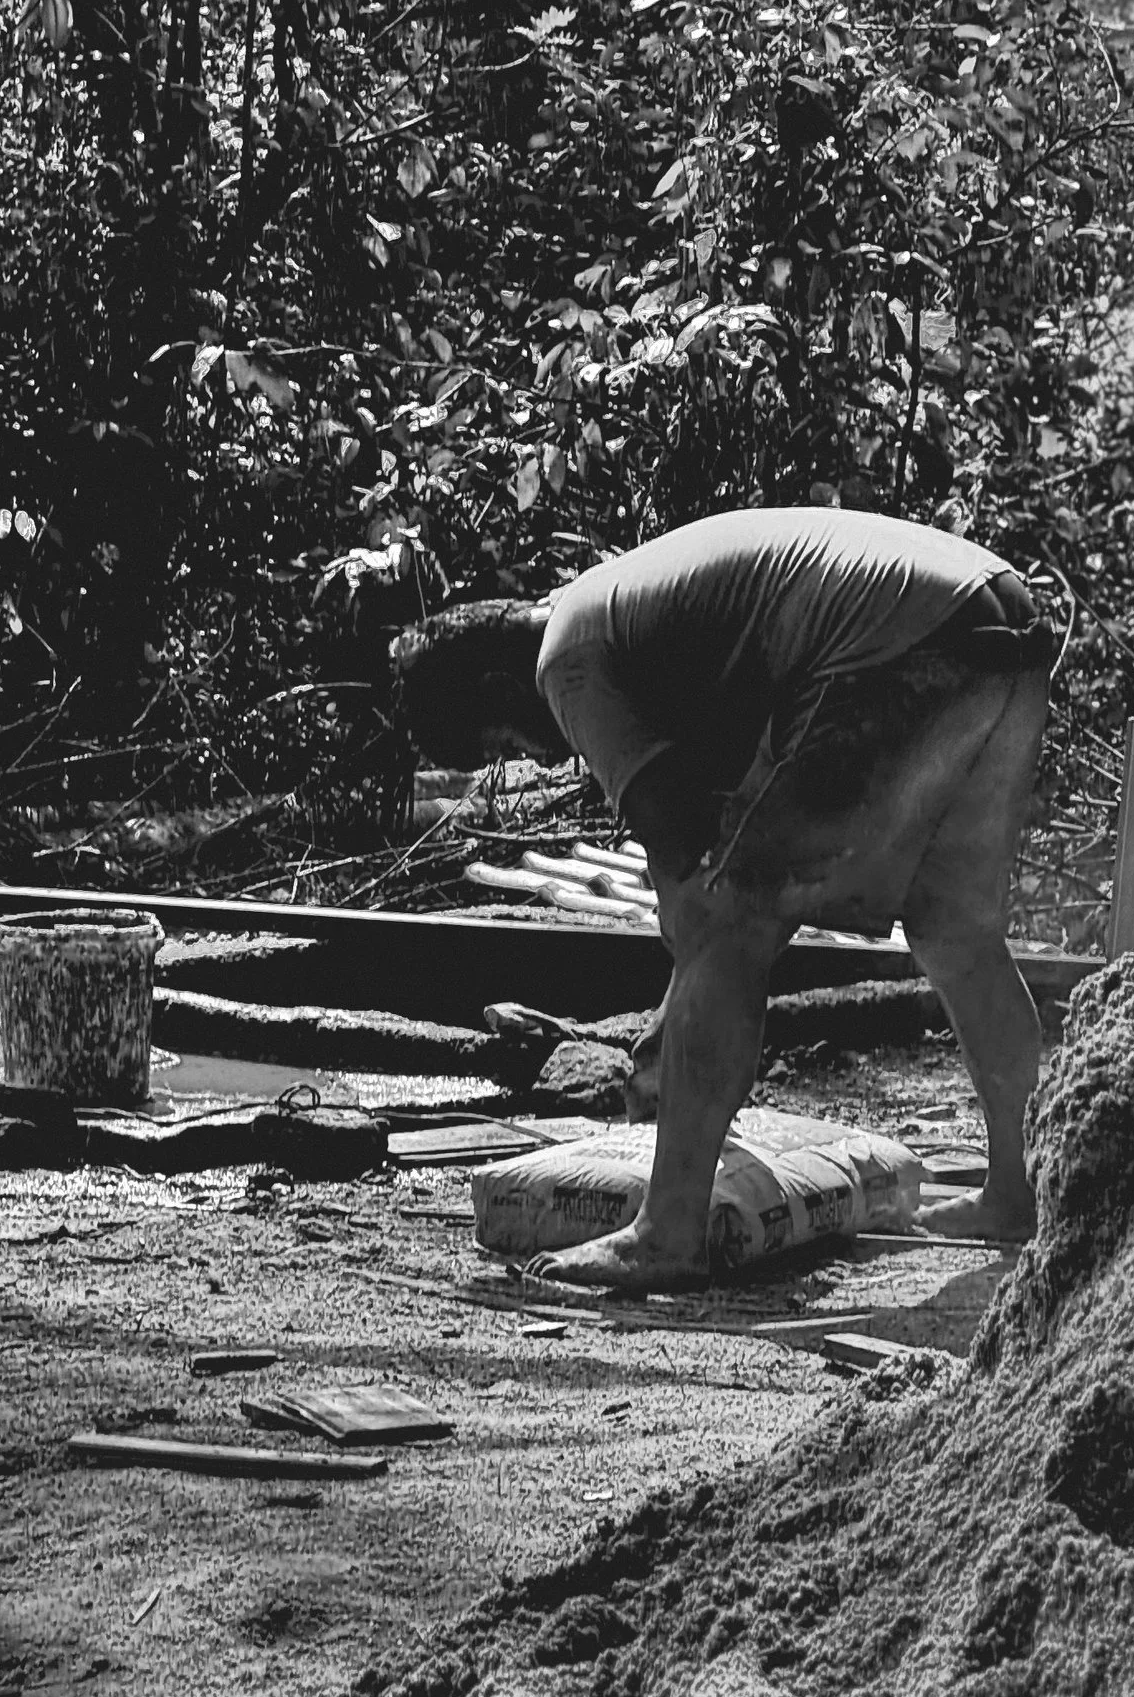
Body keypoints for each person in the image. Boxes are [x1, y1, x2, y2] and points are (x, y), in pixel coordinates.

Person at [394, 506, 1053, 1292]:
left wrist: (673, 1042)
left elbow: (691, 874)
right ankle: (1018, 1192)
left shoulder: (566, 659)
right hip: (1001, 621)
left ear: (498, 686)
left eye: (503, 744)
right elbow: (727, 828)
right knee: (957, 931)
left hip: (896, 639)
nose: (536, 757)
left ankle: (666, 1233)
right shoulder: (640, 621)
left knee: (733, 921)